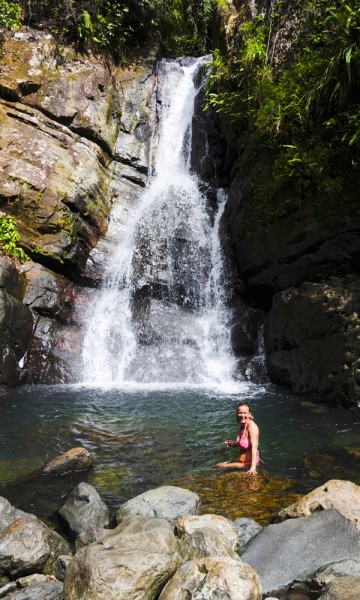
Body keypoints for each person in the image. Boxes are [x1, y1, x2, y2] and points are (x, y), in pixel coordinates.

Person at [216, 402, 262, 475]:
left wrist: (253, 467)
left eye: (245, 413)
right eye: (240, 413)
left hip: (248, 464)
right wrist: (232, 444)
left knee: (219, 466)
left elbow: (254, 447)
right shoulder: (243, 425)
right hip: (242, 463)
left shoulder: (252, 427)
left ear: (249, 414)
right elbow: (243, 443)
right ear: (237, 414)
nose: (242, 415)